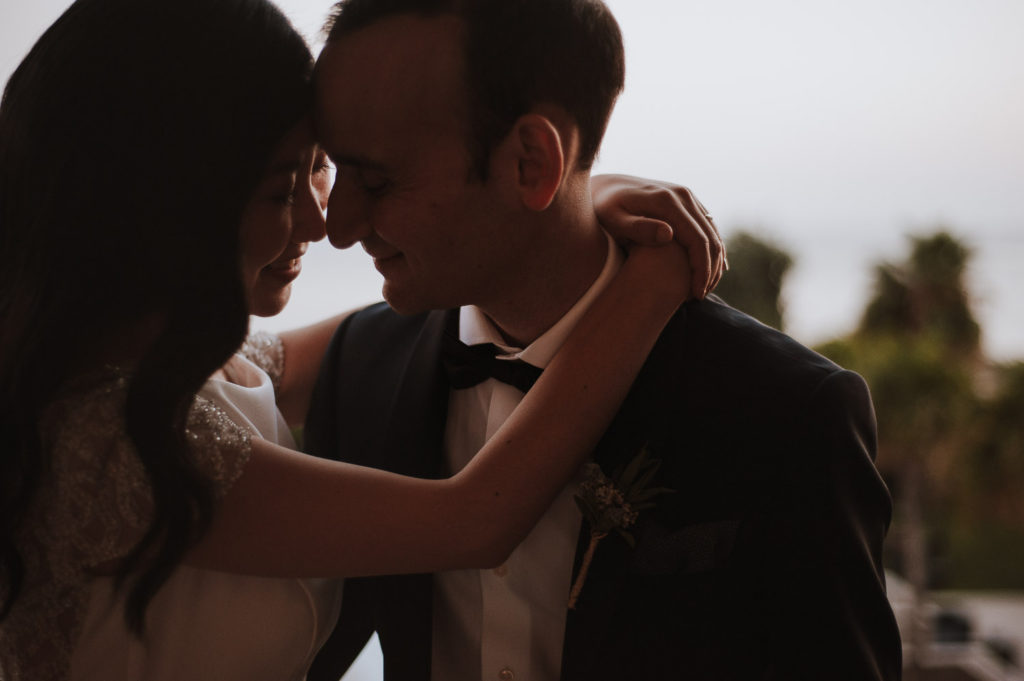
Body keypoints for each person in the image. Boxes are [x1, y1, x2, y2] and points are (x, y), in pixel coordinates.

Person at [0, 0, 719, 679]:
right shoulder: (109, 441)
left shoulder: (198, 369)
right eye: (284, 188)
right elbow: (475, 519)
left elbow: (408, 312)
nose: (322, 224)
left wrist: (570, 200)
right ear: (173, 201)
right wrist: (654, 278)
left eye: (326, 168)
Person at [304, 0, 903, 680]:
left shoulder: (789, 414)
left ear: (532, 162)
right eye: (333, 167)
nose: (338, 224)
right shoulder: (360, 369)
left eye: (377, 180)